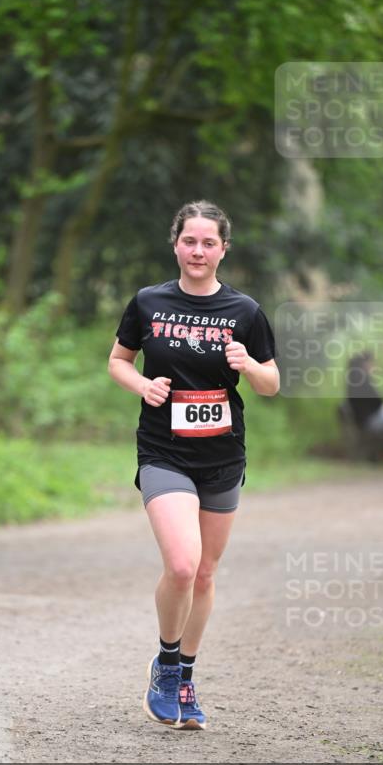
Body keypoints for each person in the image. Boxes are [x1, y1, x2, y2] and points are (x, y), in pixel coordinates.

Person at [108, 201, 279, 730]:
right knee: (182, 564)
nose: (198, 251)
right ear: (175, 244)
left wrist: (248, 364)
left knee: (205, 574)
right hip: (163, 450)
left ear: (223, 249)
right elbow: (118, 360)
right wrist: (143, 384)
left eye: (209, 242)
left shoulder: (245, 311)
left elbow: (271, 383)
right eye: (189, 241)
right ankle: (164, 662)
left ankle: (185, 675)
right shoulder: (148, 302)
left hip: (223, 456)